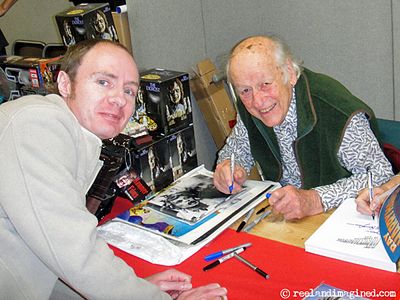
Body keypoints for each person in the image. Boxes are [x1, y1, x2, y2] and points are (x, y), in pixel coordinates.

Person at [0, 39, 227, 300]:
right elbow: (73, 252)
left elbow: (48, 263)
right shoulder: (35, 125)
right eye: (103, 82)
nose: (119, 98)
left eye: (129, 91)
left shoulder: (71, 136)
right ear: (65, 84)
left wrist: (135, 289)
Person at [213, 34, 394, 220]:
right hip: (288, 220)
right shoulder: (251, 107)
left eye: (266, 84)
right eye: (245, 90)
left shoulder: (336, 111)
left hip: (339, 220)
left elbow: (381, 175)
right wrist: (228, 167)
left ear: (289, 74)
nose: (258, 101)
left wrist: (316, 199)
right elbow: (237, 150)